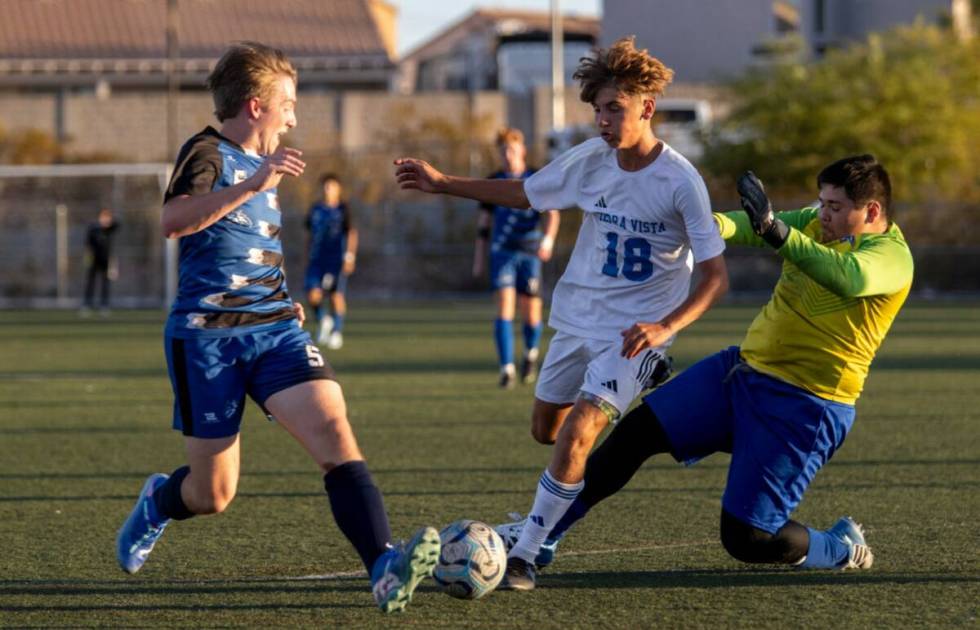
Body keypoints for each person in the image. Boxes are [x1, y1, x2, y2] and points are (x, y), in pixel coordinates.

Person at [114, 42, 439, 614]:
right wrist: (252, 184)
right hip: (207, 339)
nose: (295, 114)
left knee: (335, 434)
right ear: (256, 105)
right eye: (288, 102)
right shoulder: (208, 152)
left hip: (275, 333)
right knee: (212, 494)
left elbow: (254, 247)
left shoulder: (271, 167)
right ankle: (161, 501)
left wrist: (286, 302)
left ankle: (384, 564)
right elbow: (172, 221)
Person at [395, 36, 728, 590]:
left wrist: (666, 327)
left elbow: (717, 278)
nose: (602, 119)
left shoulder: (681, 182)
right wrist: (444, 183)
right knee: (545, 429)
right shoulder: (591, 162)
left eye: (613, 108)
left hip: (636, 335)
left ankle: (527, 552)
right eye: (597, 109)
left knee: (578, 431)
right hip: (576, 320)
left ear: (646, 108)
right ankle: (584, 446)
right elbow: (526, 193)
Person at [526, 155, 913, 575]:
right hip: (741, 375)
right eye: (821, 203)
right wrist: (701, 225)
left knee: (748, 539)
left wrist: (775, 231)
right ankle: (542, 534)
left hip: (806, 407)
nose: (823, 215)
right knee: (636, 434)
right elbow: (746, 225)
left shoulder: (892, 257)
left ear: (872, 211)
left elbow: (847, 276)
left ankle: (836, 548)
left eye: (834, 207)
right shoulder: (815, 222)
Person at [472, 128, 560, 388]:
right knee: (504, 310)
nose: (507, 155)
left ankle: (530, 355)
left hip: (530, 253)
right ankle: (506, 368)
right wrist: (478, 258)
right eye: (502, 151)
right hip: (502, 253)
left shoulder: (536, 177)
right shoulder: (493, 180)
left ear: (522, 150)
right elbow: (483, 224)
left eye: (511, 149)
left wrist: (547, 241)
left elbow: (552, 214)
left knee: (532, 315)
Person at [304, 173, 357, 349]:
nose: (328, 189)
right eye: (325, 186)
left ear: (338, 189)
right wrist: (308, 253)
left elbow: (351, 233)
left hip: (336, 260)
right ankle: (323, 319)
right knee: (312, 294)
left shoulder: (343, 209)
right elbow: (310, 233)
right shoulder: (315, 209)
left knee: (336, 296)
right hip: (317, 259)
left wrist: (349, 256)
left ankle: (337, 331)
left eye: (332, 186)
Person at [82, 207, 119, 315]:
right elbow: (87, 244)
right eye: (104, 217)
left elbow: (118, 224)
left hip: (106, 260)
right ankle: (87, 304)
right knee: (90, 283)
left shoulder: (109, 229)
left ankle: (104, 305)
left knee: (105, 283)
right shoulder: (93, 229)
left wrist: (109, 222)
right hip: (94, 260)